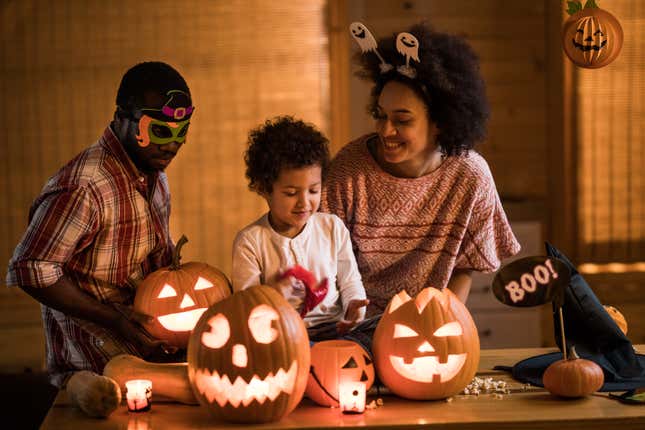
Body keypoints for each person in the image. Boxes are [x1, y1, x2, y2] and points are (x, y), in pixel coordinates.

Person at [6, 61, 194, 416]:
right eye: (158, 130)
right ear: (122, 117)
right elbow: (32, 268)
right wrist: (113, 318)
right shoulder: (85, 186)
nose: (171, 144)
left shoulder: (153, 172)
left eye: (181, 130)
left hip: (143, 339)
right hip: (95, 348)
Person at [322, 22, 520, 316]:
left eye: (402, 120)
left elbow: (466, 266)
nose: (385, 130)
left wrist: (440, 319)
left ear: (440, 121)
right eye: (381, 115)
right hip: (355, 324)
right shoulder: (349, 170)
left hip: (431, 323)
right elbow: (323, 260)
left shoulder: (470, 176)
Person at [232, 116, 375, 350]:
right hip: (283, 333)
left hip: (335, 329)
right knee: (272, 347)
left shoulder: (332, 227)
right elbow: (247, 305)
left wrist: (354, 309)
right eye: (290, 193)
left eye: (313, 190)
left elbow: (350, 280)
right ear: (264, 189)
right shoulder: (251, 241)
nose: (304, 202)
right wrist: (271, 298)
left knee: (379, 330)